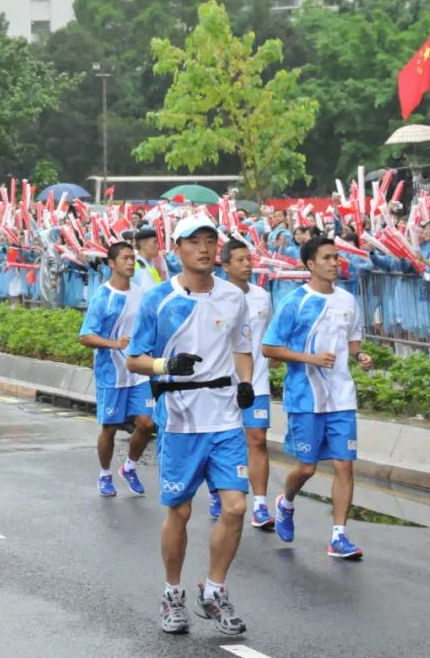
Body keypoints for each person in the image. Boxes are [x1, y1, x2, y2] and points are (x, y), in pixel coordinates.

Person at [126, 214, 255, 636]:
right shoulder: (158, 300)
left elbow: (241, 347)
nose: (203, 248)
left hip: (225, 418)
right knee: (179, 510)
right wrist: (166, 365)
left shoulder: (234, 297)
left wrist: (247, 384)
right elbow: (134, 358)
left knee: (236, 506)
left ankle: (214, 591)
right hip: (180, 417)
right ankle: (172, 593)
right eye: (193, 241)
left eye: (209, 240)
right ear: (176, 249)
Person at [262, 237, 374, 558]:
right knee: (307, 468)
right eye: (326, 258)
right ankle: (286, 501)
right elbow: (270, 347)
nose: (334, 263)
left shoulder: (348, 301)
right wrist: (311, 359)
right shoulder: (294, 302)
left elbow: (352, 343)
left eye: (336, 257)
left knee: (344, 465)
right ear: (310, 264)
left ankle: (339, 536)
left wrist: (362, 355)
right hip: (305, 397)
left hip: (341, 396)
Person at [77, 241, 155, 497]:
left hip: (138, 371)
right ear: (112, 263)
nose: (131, 262)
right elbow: (86, 336)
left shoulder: (141, 293)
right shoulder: (103, 296)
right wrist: (114, 344)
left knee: (146, 423)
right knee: (109, 428)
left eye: (133, 258)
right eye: (125, 258)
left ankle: (130, 467)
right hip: (111, 372)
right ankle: (104, 474)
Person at [207, 239, 275, 530]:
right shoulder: (213, 297)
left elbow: (265, 338)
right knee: (218, 443)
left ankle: (260, 505)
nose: (247, 265)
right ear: (225, 266)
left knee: (257, 440)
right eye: (240, 260)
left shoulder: (262, 296)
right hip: (220, 385)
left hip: (255, 382)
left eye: (249, 259)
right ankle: (216, 490)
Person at [132, 227, 164, 293]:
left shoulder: (149, 263)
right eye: (154, 242)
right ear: (144, 246)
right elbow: (151, 294)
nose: (158, 246)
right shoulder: (140, 267)